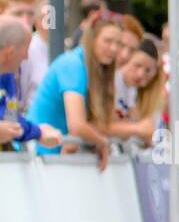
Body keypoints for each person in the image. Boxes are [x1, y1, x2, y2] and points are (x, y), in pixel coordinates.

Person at [27, 13, 120, 169]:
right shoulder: (73, 64)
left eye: (118, 43)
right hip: (37, 154)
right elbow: (76, 125)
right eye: (108, 41)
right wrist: (102, 142)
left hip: (52, 156)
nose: (113, 48)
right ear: (92, 39)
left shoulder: (91, 68)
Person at [0, 16, 62, 149]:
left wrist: (38, 132)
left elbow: (11, 120)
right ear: (10, 53)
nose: (26, 57)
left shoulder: (8, 76)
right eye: (26, 49)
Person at [108, 38, 166, 144]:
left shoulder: (134, 89)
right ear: (127, 60)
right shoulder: (112, 82)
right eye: (137, 65)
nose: (140, 74)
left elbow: (146, 128)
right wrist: (137, 128)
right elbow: (102, 125)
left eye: (148, 70)